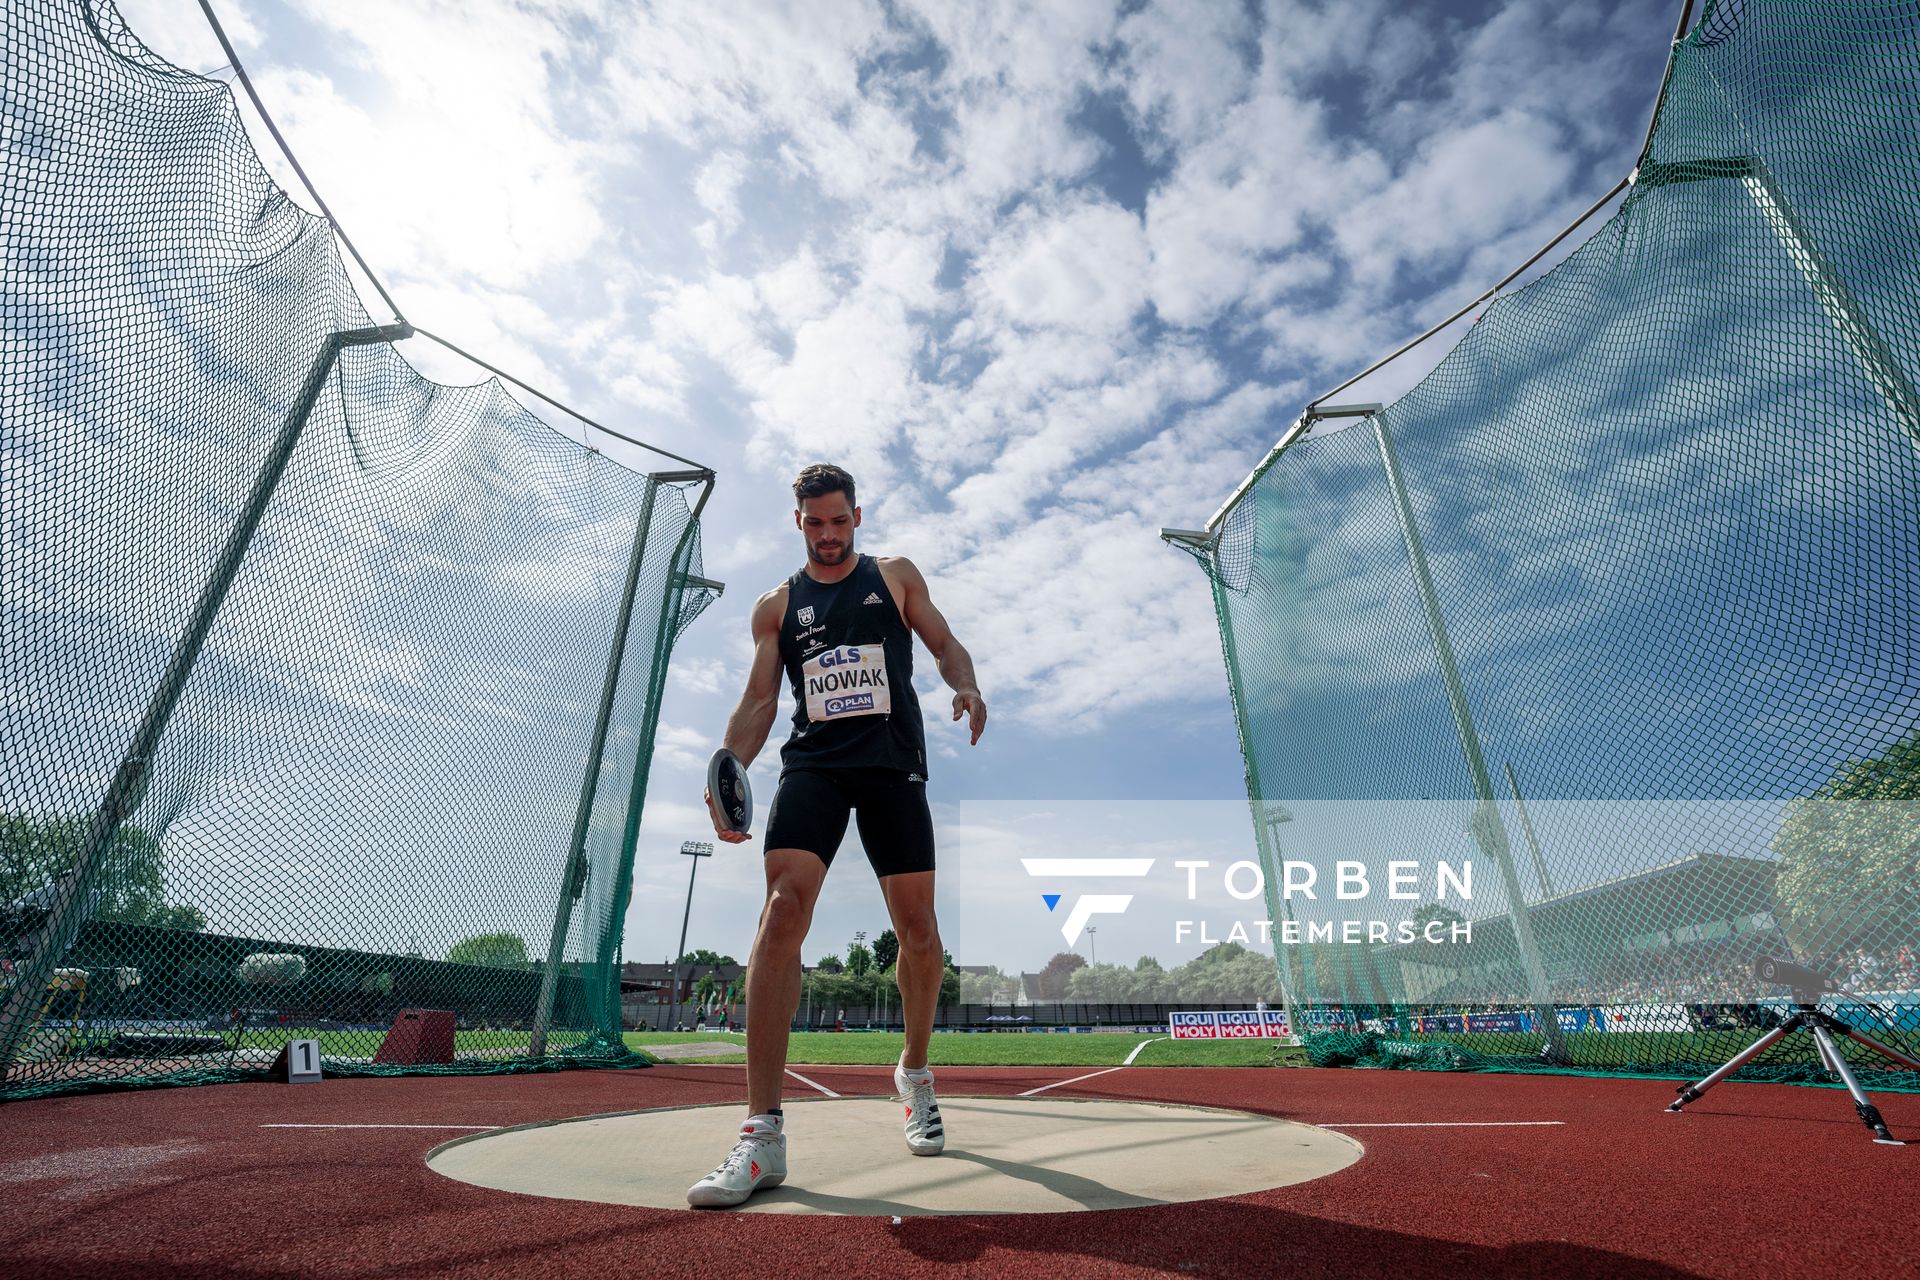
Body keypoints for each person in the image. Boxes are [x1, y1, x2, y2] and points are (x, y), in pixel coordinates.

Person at [686, 463, 987, 1209]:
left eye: (839, 521)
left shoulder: (895, 577)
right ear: (799, 522)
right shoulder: (778, 605)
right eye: (815, 523)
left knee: (918, 932)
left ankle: (914, 1072)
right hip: (814, 767)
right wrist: (728, 768)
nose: (828, 535)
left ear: (857, 516)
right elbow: (760, 699)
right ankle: (762, 1134)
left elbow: (945, 644)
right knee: (781, 912)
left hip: (891, 766)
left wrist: (965, 683)